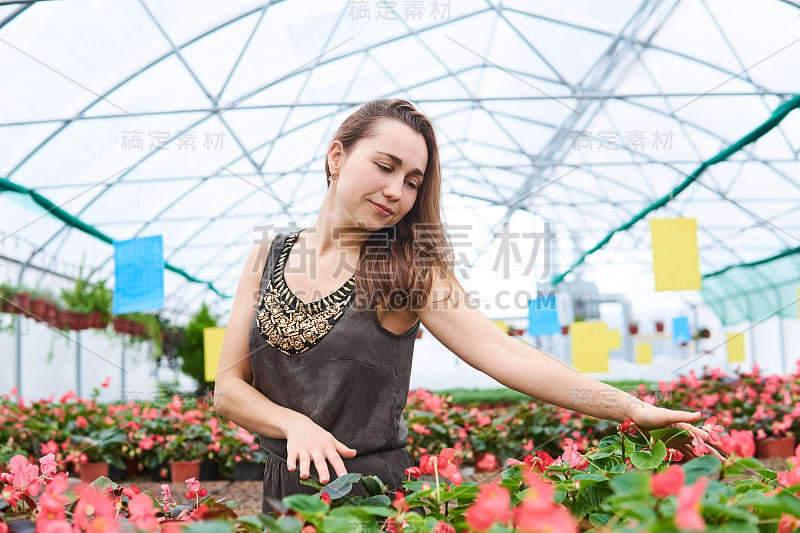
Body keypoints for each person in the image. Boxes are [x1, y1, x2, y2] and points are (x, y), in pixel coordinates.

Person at [213, 98, 724, 515]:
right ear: (337, 156)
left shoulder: (407, 270)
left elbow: (505, 354)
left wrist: (630, 408)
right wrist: (293, 424)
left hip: (370, 503)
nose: (396, 191)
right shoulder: (268, 255)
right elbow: (229, 389)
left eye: (413, 181)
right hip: (280, 493)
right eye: (385, 167)